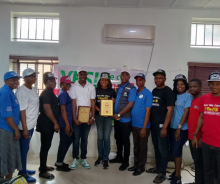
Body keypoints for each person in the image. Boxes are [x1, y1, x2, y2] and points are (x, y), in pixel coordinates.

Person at [146, 69, 175, 184]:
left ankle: (162, 173)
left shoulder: (168, 92)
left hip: (162, 126)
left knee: (163, 150)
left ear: (165, 79)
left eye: (160, 78)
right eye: (156, 78)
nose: (157, 80)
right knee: (157, 148)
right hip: (153, 125)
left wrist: (164, 127)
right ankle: (158, 168)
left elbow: (170, 110)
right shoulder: (154, 91)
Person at [192, 71, 220, 184]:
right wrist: (195, 135)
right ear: (208, 85)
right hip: (206, 143)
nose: (215, 86)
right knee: (207, 171)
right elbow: (201, 118)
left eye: (218, 83)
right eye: (212, 83)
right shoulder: (204, 99)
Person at [15, 68, 39, 183]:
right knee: (23, 150)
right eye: (31, 76)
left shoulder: (33, 89)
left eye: (35, 75)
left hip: (31, 125)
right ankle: (22, 173)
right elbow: (22, 111)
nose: (34, 77)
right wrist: (24, 129)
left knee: (25, 149)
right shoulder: (21, 91)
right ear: (24, 78)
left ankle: (24, 168)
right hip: (24, 126)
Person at [69, 67, 96, 170]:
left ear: (86, 75)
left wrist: (92, 117)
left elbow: (92, 102)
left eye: (84, 74)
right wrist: (75, 118)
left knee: (84, 139)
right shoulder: (73, 87)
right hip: (77, 118)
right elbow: (74, 103)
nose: (83, 76)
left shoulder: (91, 87)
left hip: (87, 118)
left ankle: (83, 158)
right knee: (76, 139)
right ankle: (75, 158)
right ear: (77, 75)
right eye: (81, 74)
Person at [110, 68, 136, 171]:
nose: (124, 77)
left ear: (129, 77)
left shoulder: (132, 88)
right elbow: (120, 101)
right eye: (122, 75)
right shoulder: (118, 88)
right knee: (118, 139)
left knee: (125, 141)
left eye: (126, 75)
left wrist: (119, 114)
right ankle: (119, 157)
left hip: (125, 120)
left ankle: (126, 161)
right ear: (120, 76)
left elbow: (130, 104)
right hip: (117, 120)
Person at [127, 73, 153, 176]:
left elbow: (148, 112)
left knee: (142, 147)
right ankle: (136, 164)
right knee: (136, 146)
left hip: (143, 127)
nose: (139, 82)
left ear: (144, 81)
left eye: (141, 80)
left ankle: (141, 167)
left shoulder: (148, 93)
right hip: (134, 125)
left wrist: (144, 128)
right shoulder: (135, 92)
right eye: (137, 80)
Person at [169, 74, 192, 184]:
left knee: (177, 151)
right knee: (174, 151)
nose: (180, 86)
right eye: (178, 84)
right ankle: (175, 172)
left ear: (185, 85)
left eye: (182, 84)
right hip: (172, 127)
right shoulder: (173, 95)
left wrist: (179, 127)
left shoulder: (188, 96)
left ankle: (178, 176)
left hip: (182, 129)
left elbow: (186, 113)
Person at [36, 72, 60, 180]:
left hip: (48, 123)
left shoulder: (50, 92)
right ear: (45, 82)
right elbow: (47, 109)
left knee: (46, 146)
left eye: (53, 80)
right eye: (49, 81)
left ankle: (43, 166)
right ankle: (43, 172)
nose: (52, 83)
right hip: (46, 124)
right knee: (45, 147)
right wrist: (55, 123)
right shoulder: (46, 93)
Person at [0, 71, 22, 179]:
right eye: (13, 80)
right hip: (6, 129)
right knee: (4, 156)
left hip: (10, 128)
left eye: (17, 80)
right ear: (6, 81)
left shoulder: (10, 92)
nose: (16, 82)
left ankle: (8, 180)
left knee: (10, 157)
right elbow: (7, 114)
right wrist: (16, 129)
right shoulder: (5, 92)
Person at [94, 72, 116, 169]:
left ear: (108, 81)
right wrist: (100, 110)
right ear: (100, 80)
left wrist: (112, 104)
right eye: (102, 79)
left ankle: (106, 158)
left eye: (106, 80)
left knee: (106, 138)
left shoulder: (112, 91)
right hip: (99, 116)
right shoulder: (95, 90)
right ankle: (100, 157)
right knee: (100, 137)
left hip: (108, 117)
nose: (104, 81)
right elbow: (92, 103)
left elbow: (114, 104)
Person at [54, 76, 74, 172]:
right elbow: (63, 109)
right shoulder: (63, 94)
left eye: (69, 84)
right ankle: (59, 163)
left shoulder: (65, 93)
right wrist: (67, 124)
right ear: (61, 84)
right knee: (64, 143)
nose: (68, 85)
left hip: (66, 122)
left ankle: (60, 160)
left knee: (68, 140)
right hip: (64, 123)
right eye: (66, 84)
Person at [188, 79, 204, 184]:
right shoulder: (192, 99)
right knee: (197, 163)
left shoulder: (204, 100)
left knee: (200, 164)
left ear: (201, 87)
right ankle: (197, 181)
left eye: (195, 86)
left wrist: (200, 138)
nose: (192, 88)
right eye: (190, 86)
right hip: (191, 137)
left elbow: (205, 121)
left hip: (198, 139)